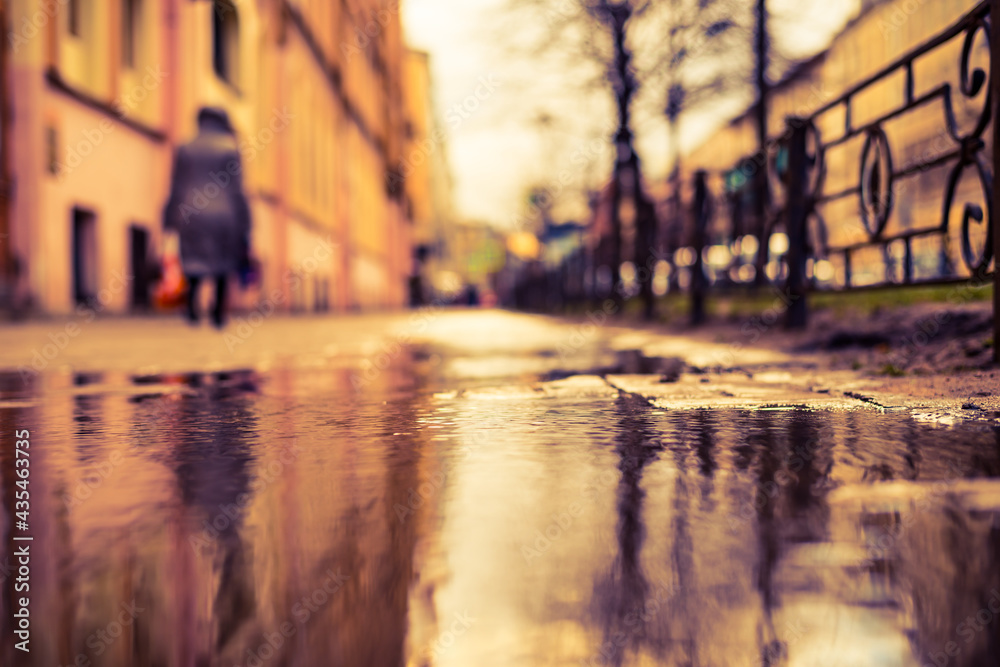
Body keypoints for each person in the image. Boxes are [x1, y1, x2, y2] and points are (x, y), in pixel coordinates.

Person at [163, 107, 251, 327]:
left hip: (191, 212)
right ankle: (218, 312)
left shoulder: (185, 147)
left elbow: (177, 186)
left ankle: (191, 306)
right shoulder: (231, 148)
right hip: (225, 214)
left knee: (192, 262)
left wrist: (169, 218)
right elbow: (237, 188)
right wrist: (245, 221)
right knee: (223, 264)